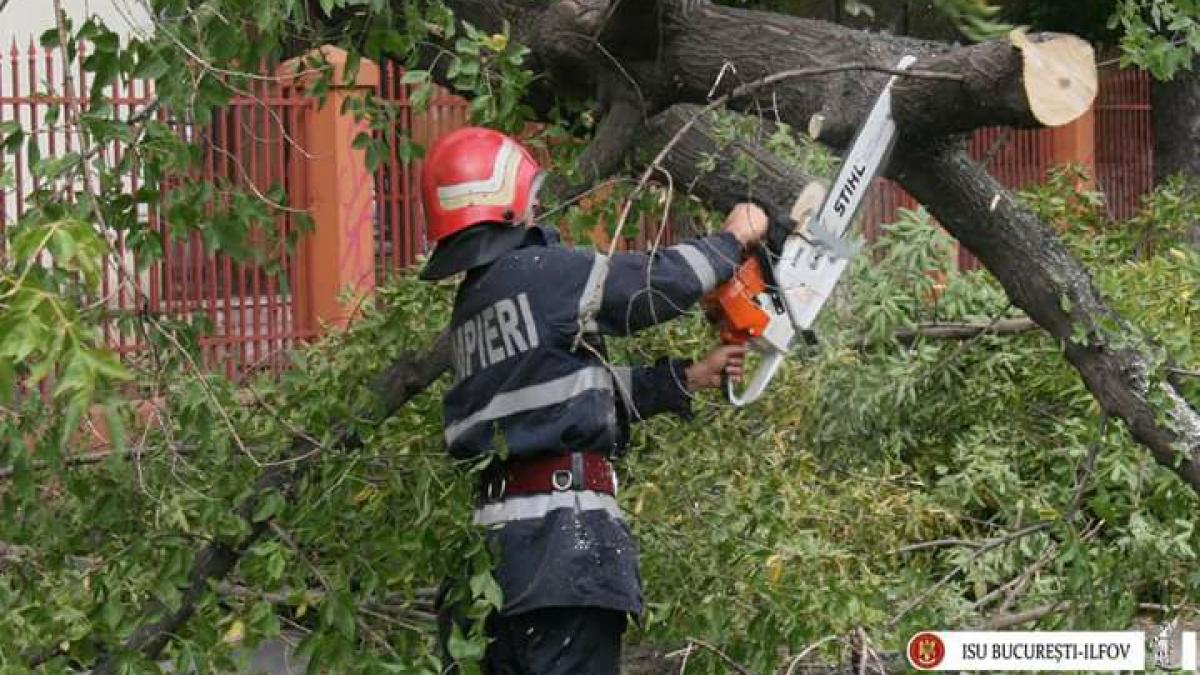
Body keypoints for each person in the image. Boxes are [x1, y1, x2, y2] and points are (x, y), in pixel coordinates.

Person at [420, 126, 768, 674]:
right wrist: (731, 240)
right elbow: (656, 284)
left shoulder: (473, 310)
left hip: (490, 573)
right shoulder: (545, 275)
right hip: (563, 557)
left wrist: (686, 376)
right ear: (511, 204)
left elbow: (557, 403)